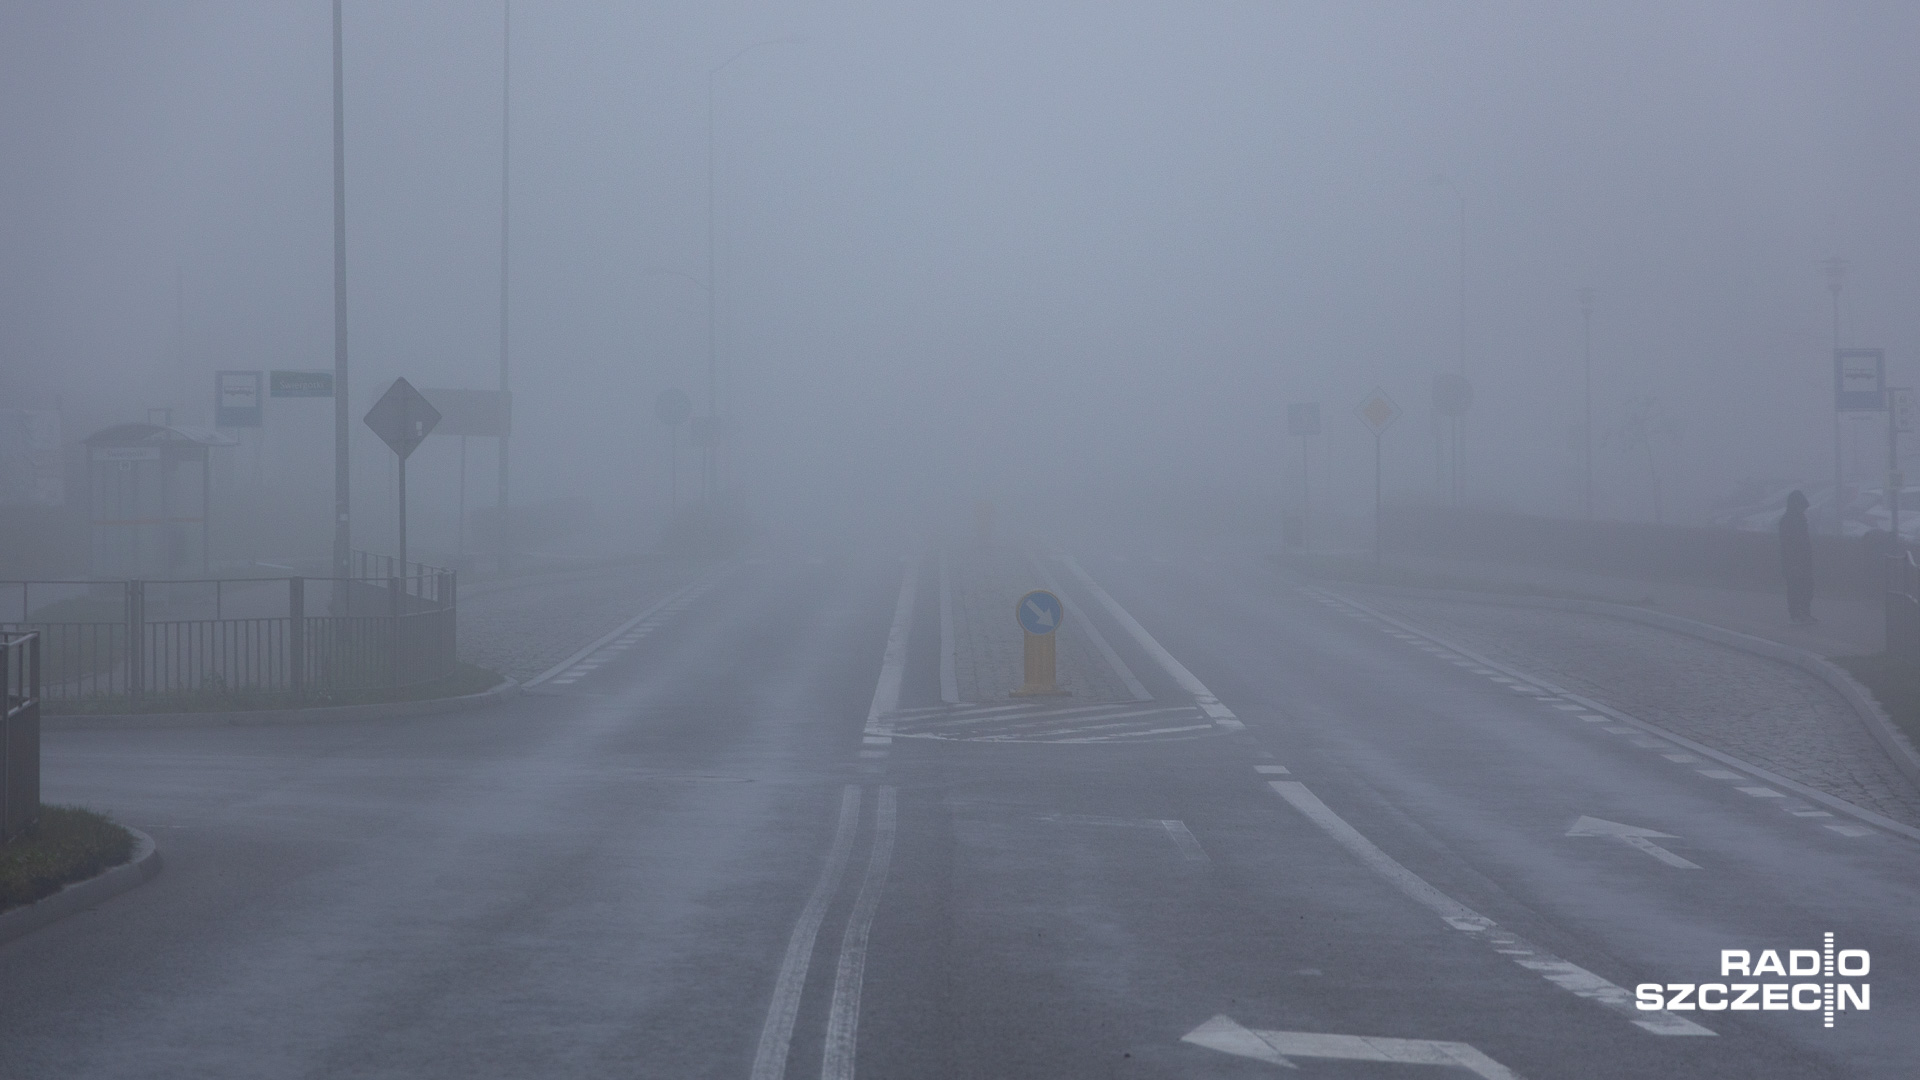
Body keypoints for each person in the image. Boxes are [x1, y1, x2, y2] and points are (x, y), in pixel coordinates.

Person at [1780, 490, 1815, 625]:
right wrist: (1792, 562)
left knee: (1807, 587)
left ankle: (1805, 613)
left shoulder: (1800, 519)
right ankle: (1796, 615)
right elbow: (1787, 544)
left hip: (1804, 560)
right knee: (1795, 588)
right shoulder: (1787, 521)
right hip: (1793, 561)